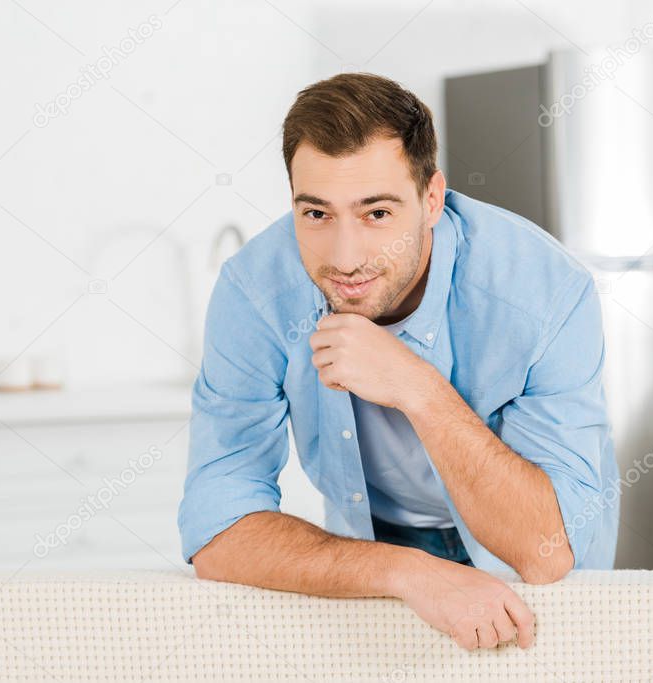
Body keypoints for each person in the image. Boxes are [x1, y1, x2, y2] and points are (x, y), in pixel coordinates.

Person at [178, 72, 619, 651]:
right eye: (315, 214)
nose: (344, 256)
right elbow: (217, 527)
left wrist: (416, 385)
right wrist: (405, 570)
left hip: (525, 553)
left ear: (432, 199)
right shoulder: (256, 292)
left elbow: (548, 550)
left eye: (377, 214)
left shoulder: (543, 292)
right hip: (369, 547)